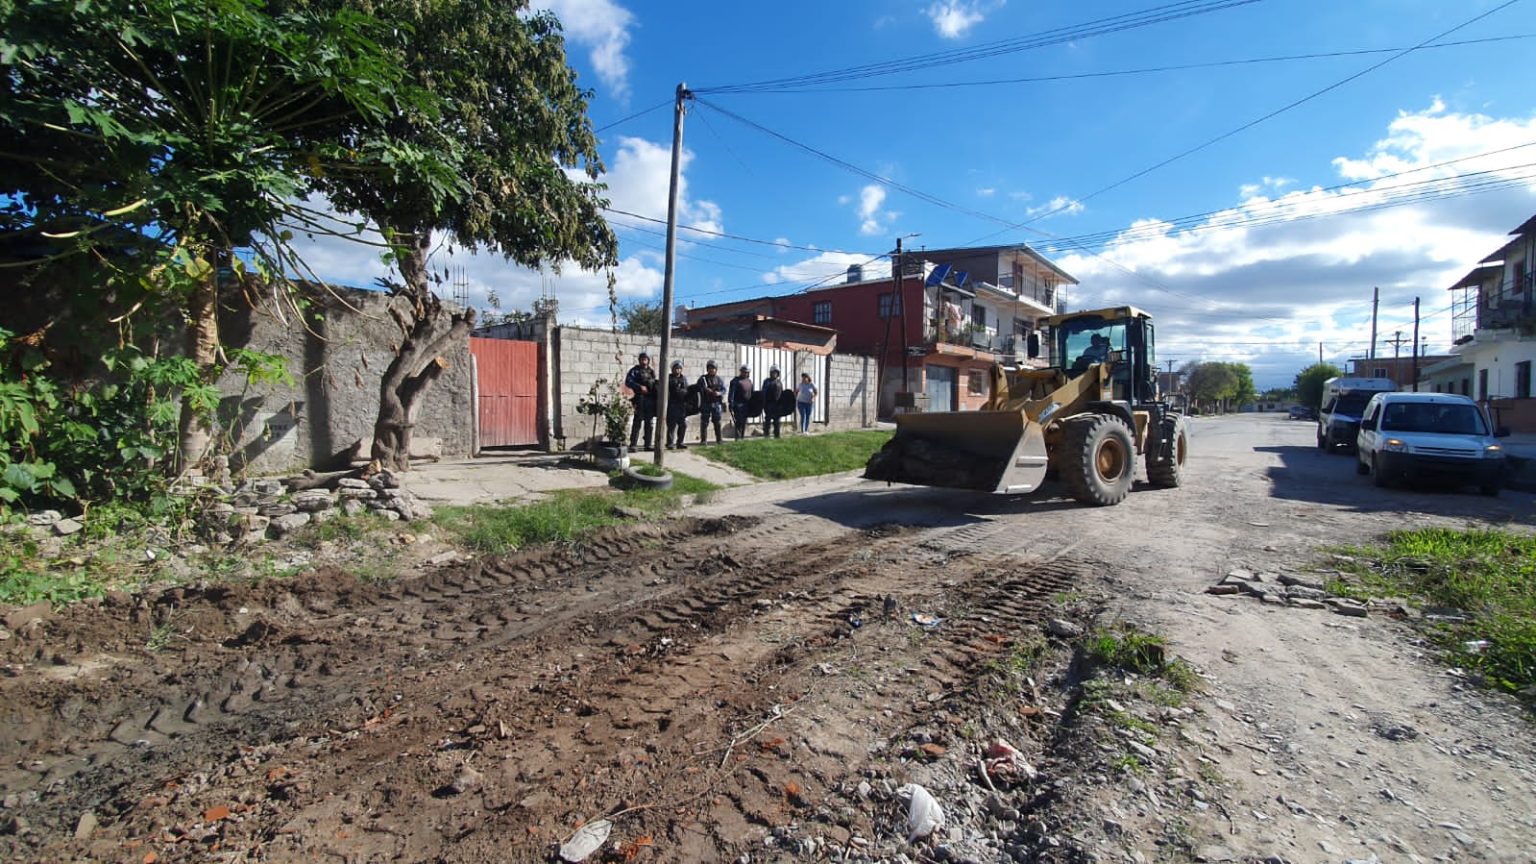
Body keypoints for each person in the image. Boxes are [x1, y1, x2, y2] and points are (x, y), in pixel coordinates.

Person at [624, 351, 657, 449]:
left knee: (649, 423)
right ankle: (633, 444)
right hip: (640, 399)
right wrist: (639, 387)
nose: (644, 361)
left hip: (650, 400)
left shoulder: (651, 371)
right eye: (642, 359)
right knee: (637, 421)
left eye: (645, 359)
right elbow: (628, 381)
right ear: (639, 360)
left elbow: (654, 383)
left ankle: (648, 444)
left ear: (648, 361)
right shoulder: (635, 370)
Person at [696, 360, 725, 445]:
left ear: (716, 369)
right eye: (710, 368)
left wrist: (719, 393)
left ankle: (719, 440)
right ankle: (703, 440)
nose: (711, 370)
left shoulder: (719, 379)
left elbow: (724, 389)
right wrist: (705, 389)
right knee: (704, 422)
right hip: (706, 403)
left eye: (713, 368)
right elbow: (698, 387)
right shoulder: (703, 379)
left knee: (717, 422)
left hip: (716, 404)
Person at [665, 359, 690, 450]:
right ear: (672, 369)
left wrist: (682, 392)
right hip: (672, 404)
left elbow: (687, 390)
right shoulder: (669, 378)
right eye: (676, 368)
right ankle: (670, 443)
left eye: (679, 368)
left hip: (682, 405)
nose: (677, 370)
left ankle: (680, 442)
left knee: (683, 424)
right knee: (671, 425)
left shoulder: (683, 379)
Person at [729, 364, 754, 440]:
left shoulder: (749, 381)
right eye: (744, 372)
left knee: (743, 422)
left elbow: (751, 393)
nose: (745, 373)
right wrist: (731, 403)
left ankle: (742, 438)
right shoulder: (735, 381)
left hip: (746, 405)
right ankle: (737, 438)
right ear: (741, 372)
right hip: (738, 404)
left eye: (746, 372)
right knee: (738, 422)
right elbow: (732, 393)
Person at [760, 367, 785, 439]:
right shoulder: (767, 381)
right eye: (773, 372)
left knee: (777, 421)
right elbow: (764, 392)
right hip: (768, 404)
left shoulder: (779, 382)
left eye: (776, 373)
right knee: (768, 420)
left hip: (777, 405)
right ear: (771, 373)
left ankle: (777, 435)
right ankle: (766, 435)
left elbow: (781, 393)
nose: (775, 374)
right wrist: (763, 402)